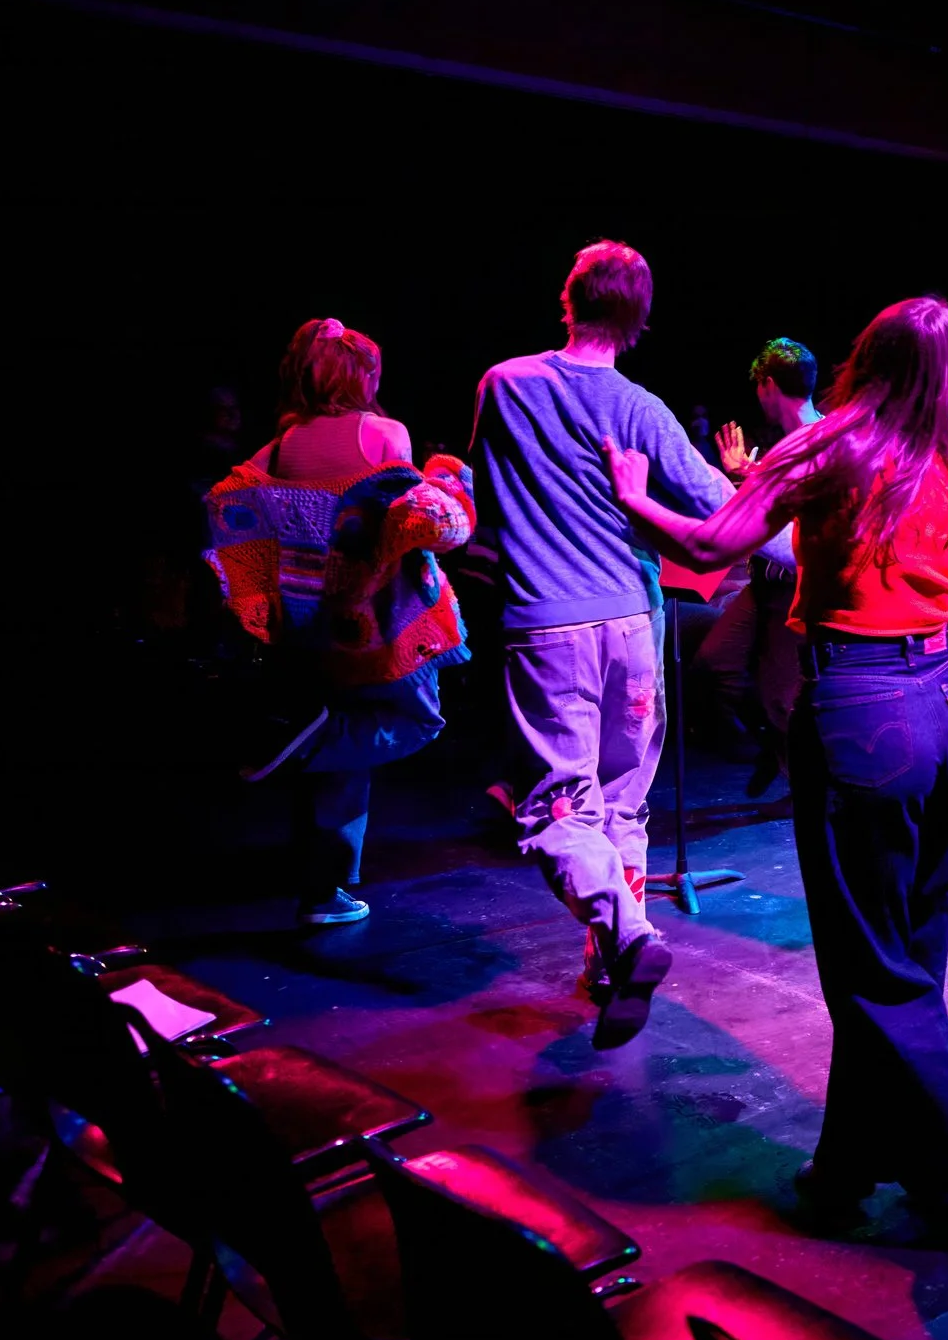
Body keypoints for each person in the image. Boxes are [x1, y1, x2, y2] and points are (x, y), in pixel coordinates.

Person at [606, 296, 948, 1221]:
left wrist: (634, 495)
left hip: (863, 714)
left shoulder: (827, 446)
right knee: (907, 955)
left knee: (870, 970)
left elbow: (710, 544)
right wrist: (912, 614)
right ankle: (851, 1165)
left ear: (864, 356)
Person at [469, 240, 735, 1050]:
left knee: (556, 807)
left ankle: (625, 932)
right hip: (632, 623)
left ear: (568, 297)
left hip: (549, 624)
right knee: (621, 801)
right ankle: (615, 955)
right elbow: (721, 510)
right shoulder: (642, 409)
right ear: (640, 319)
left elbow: (484, 497)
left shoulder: (506, 385)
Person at [206, 318, 472, 926]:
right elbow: (400, 520)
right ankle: (302, 743)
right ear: (361, 376)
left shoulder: (278, 446)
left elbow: (229, 498)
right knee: (417, 720)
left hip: (310, 625)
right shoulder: (383, 433)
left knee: (345, 741)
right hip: (382, 623)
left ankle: (325, 890)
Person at [694, 337, 820, 795]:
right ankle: (773, 743)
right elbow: (774, 503)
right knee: (713, 663)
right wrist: (746, 476)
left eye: (758, 389)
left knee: (781, 697)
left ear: (768, 385)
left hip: (794, 585)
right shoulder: (783, 444)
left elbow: (805, 516)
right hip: (763, 582)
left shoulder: (820, 440)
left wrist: (737, 482)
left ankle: (803, 785)